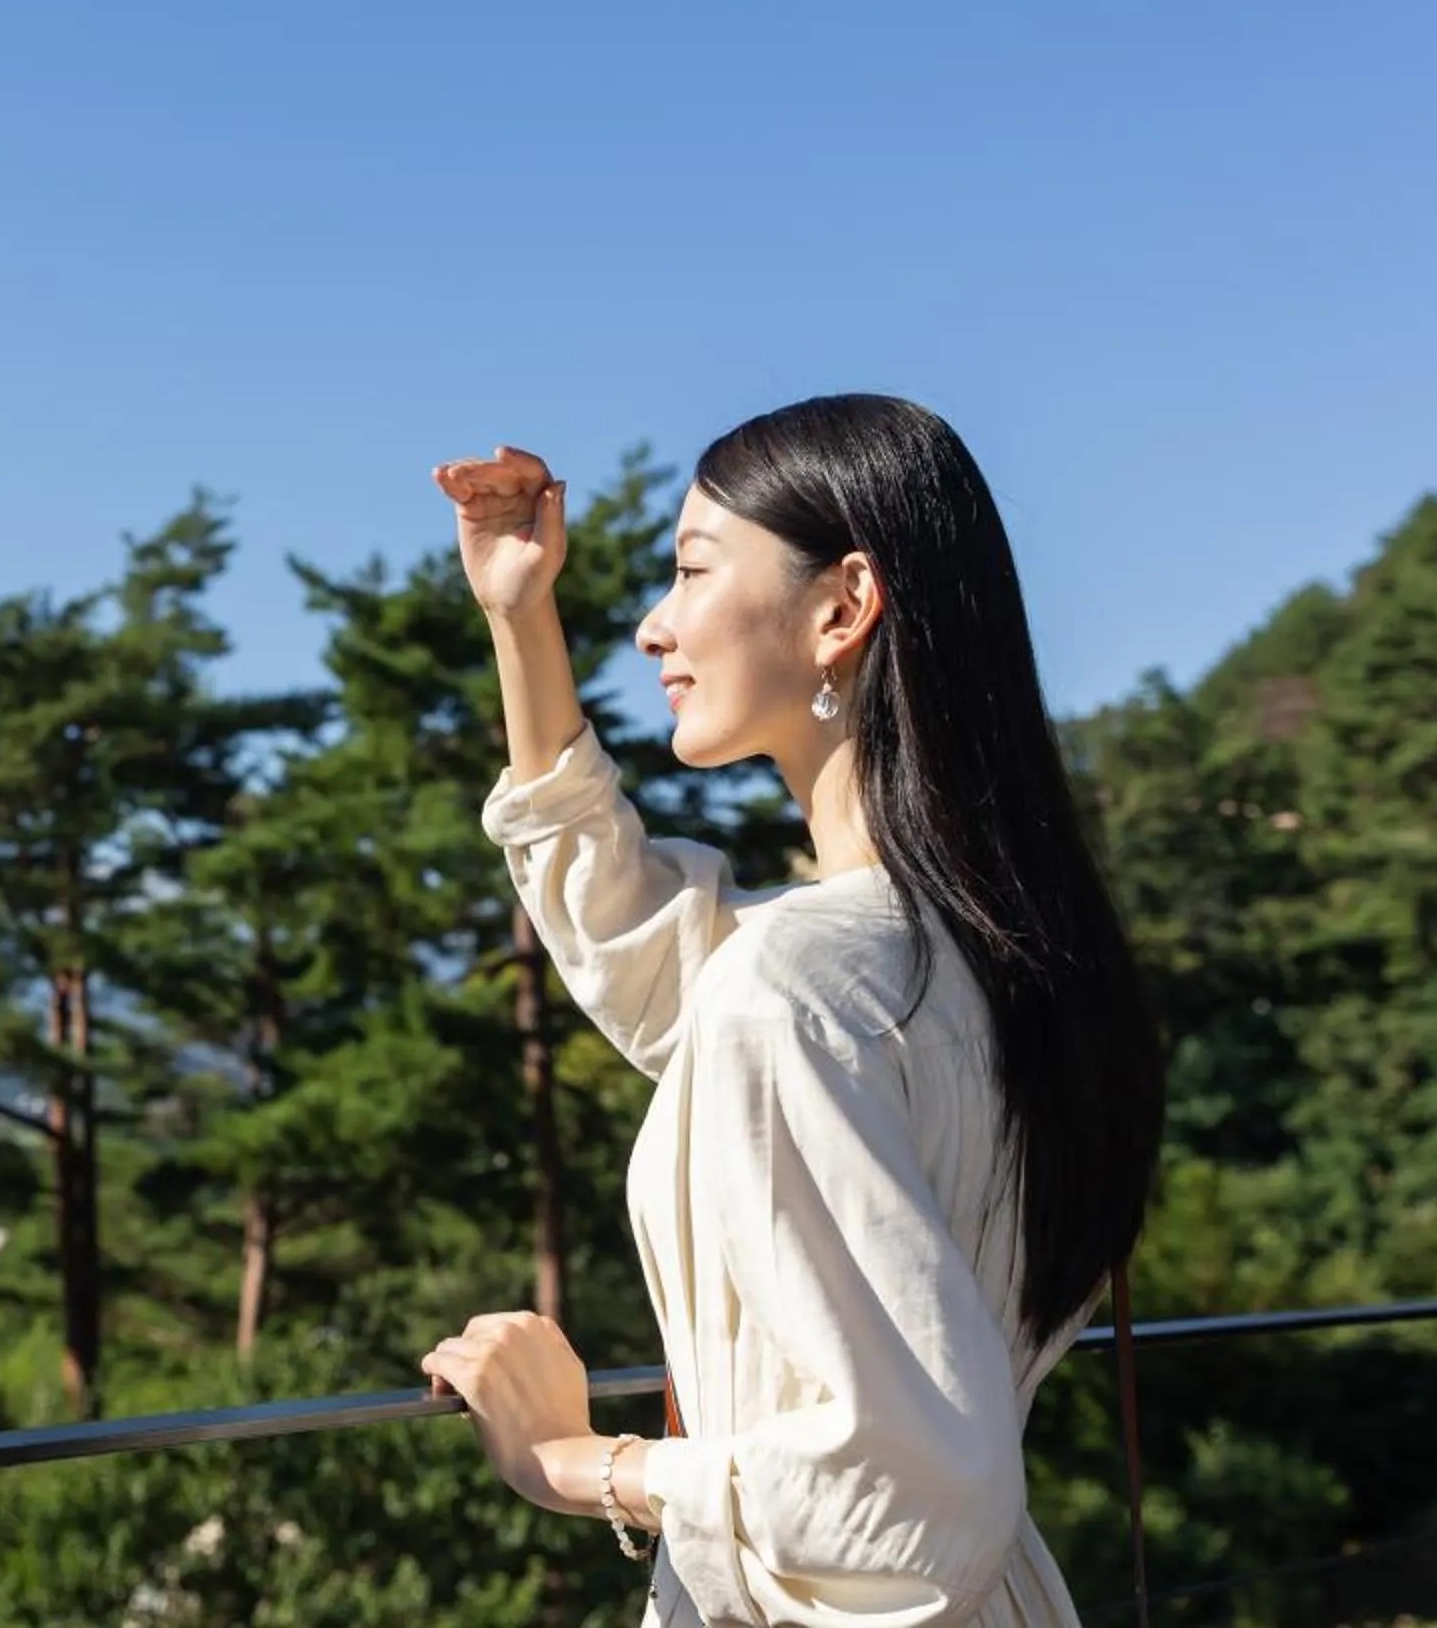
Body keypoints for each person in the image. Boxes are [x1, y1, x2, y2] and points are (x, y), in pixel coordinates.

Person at [415, 395, 1164, 1627]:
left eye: (691, 569)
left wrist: (575, 1459)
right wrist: (520, 615)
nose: (657, 623)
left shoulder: (800, 987)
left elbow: (913, 1498)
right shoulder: (994, 959)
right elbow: (633, 932)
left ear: (841, 606)